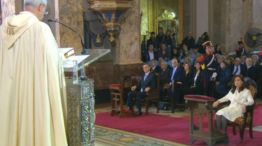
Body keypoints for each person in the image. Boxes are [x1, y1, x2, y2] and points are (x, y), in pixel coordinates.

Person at [0, 0, 68, 145]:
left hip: (8, 94)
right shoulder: (40, 29)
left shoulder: (3, 30)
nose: (44, 13)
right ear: (41, 6)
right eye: (45, 9)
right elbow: (52, 64)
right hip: (33, 94)